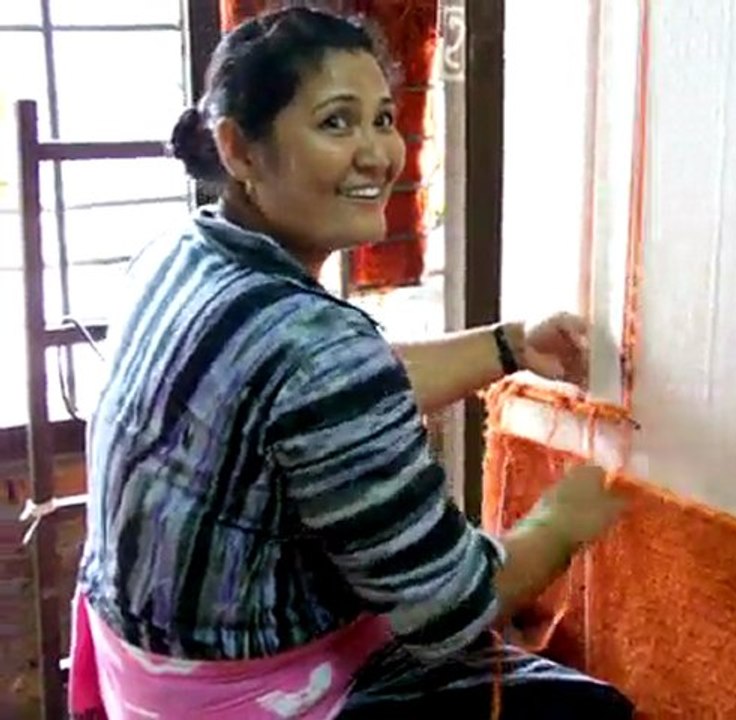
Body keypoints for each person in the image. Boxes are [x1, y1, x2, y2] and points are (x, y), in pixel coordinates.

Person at [69, 7, 634, 719]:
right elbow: (450, 607)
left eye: (383, 119)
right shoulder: (317, 351)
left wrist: (510, 346)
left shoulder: (180, 254)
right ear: (239, 149)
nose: (379, 154)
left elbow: (318, 398)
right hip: (249, 694)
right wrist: (558, 522)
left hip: (143, 667)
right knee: (594, 711)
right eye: (337, 123)